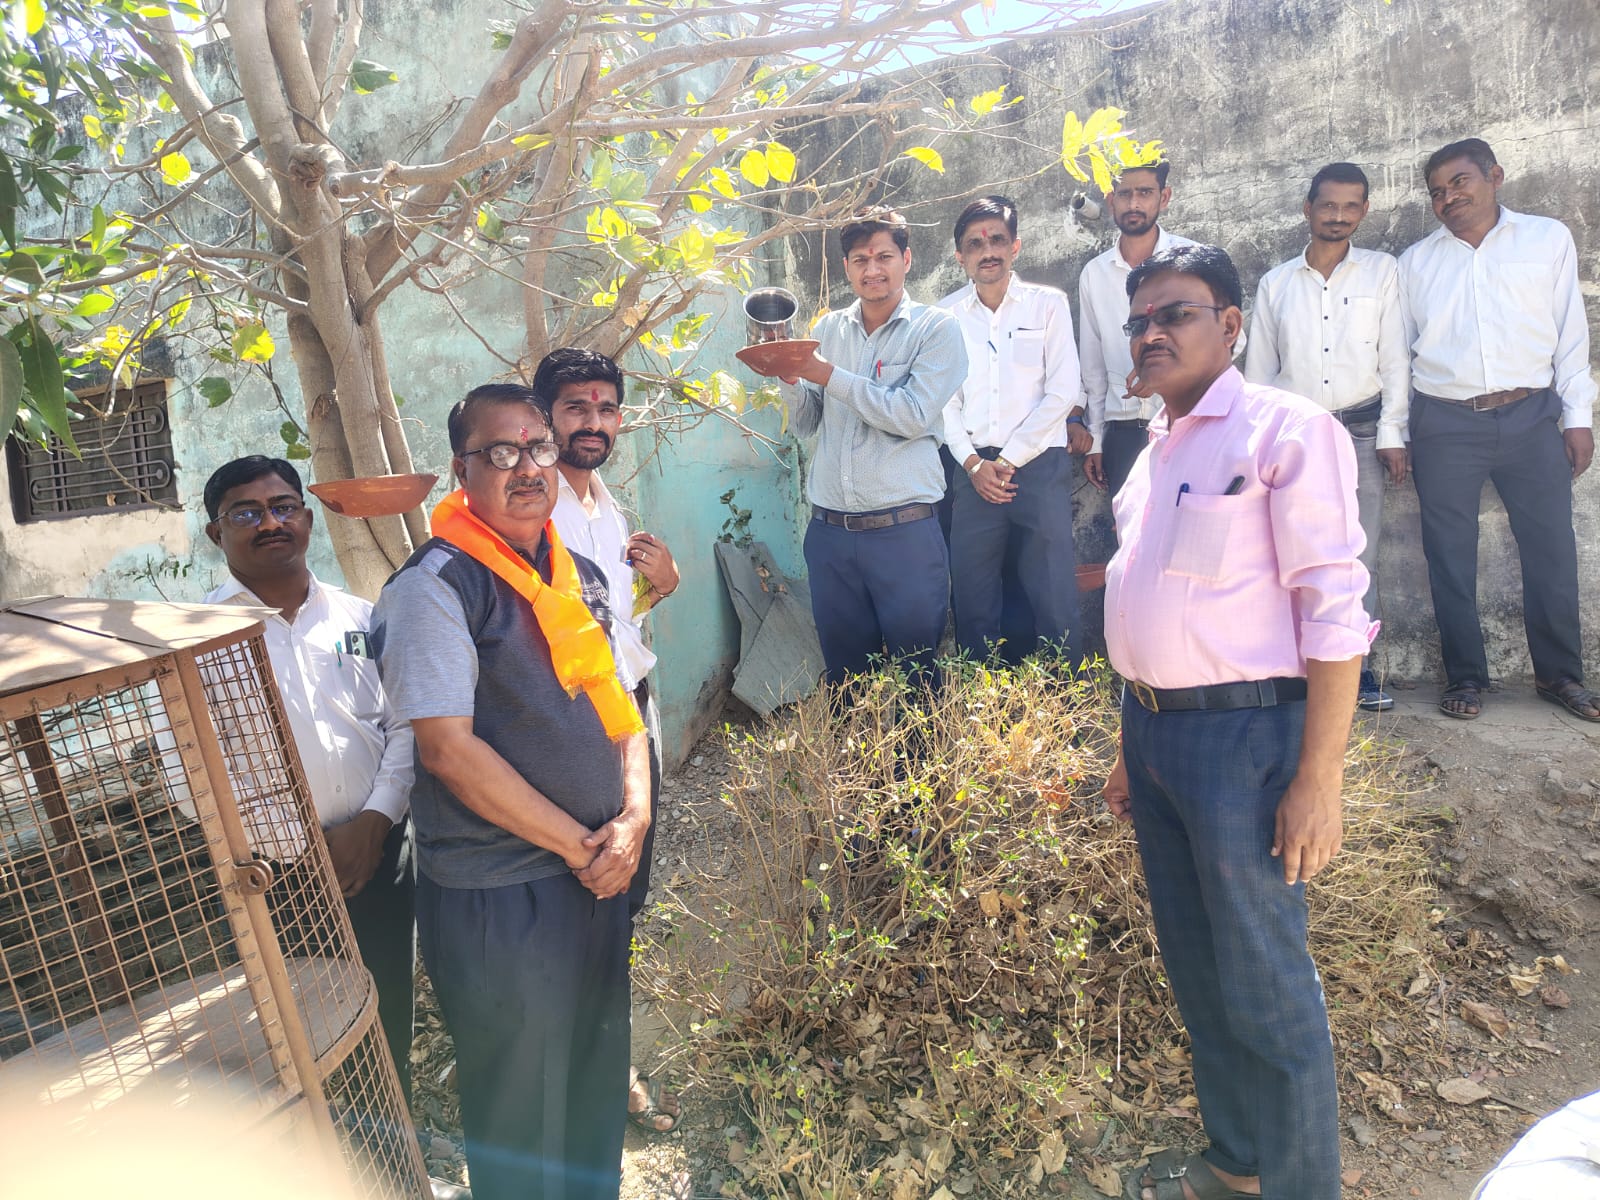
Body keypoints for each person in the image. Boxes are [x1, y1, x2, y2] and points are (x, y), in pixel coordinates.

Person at [1101, 245, 1372, 1200]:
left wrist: (1319, 780)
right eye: (1139, 321)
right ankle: (1238, 1165)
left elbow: (1334, 612)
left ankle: (1300, 1186)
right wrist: (1131, 745)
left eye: (1174, 313)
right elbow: (1149, 606)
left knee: (1265, 981)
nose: (1152, 333)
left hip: (1245, 745)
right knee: (1200, 972)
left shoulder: (1284, 433)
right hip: (1157, 738)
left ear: (1230, 324)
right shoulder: (1153, 453)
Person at [371, 384, 650, 1200]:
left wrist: (633, 817)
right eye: (500, 452)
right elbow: (447, 751)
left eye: (538, 448)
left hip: (595, 878)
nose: (527, 467)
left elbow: (623, 710)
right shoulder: (436, 586)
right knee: (518, 1102)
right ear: (462, 470)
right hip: (501, 889)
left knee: (593, 1074)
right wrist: (581, 846)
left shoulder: (576, 573)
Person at [202, 456, 417, 1100]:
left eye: (283, 507)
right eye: (246, 512)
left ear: (307, 518)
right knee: (295, 1029)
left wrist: (373, 823)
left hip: (379, 854)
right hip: (269, 874)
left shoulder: (361, 618)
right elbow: (188, 771)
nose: (270, 523)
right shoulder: (195, 640)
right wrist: (304, 848)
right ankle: (320, 1144)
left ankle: (393, 1139)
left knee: (385, 1003)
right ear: (216, 533)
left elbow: (406, 725)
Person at [1398, 137, 1598, 722]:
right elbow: (1398, 353)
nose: (1448, 198)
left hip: (1532, 416)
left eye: (1459, 182)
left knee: (1551, 548)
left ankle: (1560, 675)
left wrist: (1577, 417)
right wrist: (1399, 430)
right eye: (1437, 192)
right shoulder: (1415, 263)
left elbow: (1571, 336)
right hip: (1444, 421)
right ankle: (1464, 676)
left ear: (1495, 176)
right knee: (1449, 555)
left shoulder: (1546, 239)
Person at [538, 347, 683, 1135]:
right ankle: (568, 1069)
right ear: (546, 417)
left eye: (605, 409)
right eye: (576, 408)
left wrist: (660, 586)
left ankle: (605, 1056)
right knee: (581, 887)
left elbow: (611, 619)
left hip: (630, 711)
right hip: (575, 723)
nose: (593, 423)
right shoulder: (533, 503)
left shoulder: (606, 506)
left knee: (625, 893)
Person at [750, 206, 967, 685]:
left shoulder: (936, 329)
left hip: (904, 533)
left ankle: (918, 740)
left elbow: (911, 415)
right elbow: (807, 422)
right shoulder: (828, 330)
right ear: (847, 267)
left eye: (884, 256)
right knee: (847, 680)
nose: (873, 269)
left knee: (917, 678)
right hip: (830, 535)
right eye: (861, 260)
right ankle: (852, 739)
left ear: (906, 259)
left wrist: (826, 373)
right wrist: (790, 378)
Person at [1246, 162, 1410, 713]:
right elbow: (1259, 374)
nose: (1338, 216)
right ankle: (1291, 669)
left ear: (1363, 211)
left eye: (1350, 206)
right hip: (1296, 437)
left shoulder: (1382, 273)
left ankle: (1355, 672)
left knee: (1358, 555)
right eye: (1328, 205)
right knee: (1285, 551)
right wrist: (1258, 443)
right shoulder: (1275, 284)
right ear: (1308, 209)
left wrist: (1392, 430)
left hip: (1362, 430)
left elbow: (1394, 358)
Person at [938, 195, 1086, 665]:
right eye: (975, 244)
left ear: (1015, 246)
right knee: (973, 593)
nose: (988, 251)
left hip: (1039, 465)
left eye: (997, 240)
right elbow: (944, 401)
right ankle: (981, 700)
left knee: (1053, 591)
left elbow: (1063, 391)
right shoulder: (945, 317)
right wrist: (973, 463)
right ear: (960, 256)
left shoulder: (1048, 306)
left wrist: (1006, 460)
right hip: (972, 470)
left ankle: (1066, 696)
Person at [1077, 160, 1194, 497]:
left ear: (1164, 197)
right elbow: (1092, 366)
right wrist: (1095, 439)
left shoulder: (1192, 261)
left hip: (1186, 424)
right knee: (1128, 527)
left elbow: (1229, 342)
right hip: (1123, 433)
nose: (1134, 203)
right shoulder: (1095, 274)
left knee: (1193, 522)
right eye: (1124, 194)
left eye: (1144, 192)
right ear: (1110, 199)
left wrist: (1166, 373)